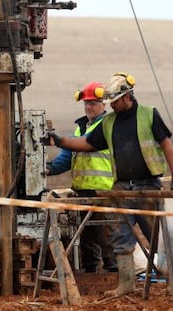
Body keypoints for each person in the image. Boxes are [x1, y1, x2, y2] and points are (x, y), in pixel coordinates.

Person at [44, 72, 173, 297]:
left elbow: (166, 145)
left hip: (148, 186)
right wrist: (61, 140)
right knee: (120, 234)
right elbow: (87, 144)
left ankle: (171, 281)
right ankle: (126, 283)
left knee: (157, 235)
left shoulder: (148, 115)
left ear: (127, 97)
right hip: (121, 187)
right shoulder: (109, 123)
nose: (111, 104)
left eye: (114, 100)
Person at [46, 81, 117, 273]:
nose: (88, 107)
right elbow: (67, 157)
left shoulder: (109, 126)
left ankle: (113, 268)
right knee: (86, 232)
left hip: (104, 189)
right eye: (86, 103)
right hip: (83, 190)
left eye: (93, 103)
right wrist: (48, 169)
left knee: (106, 230)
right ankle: (91, 268)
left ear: (104, 104)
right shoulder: (80, 128)